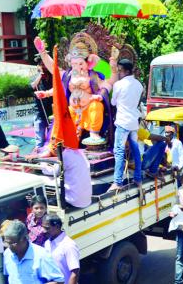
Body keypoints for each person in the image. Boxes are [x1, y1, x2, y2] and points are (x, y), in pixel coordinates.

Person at [33, 35, 118, 145]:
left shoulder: (93, 76)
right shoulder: (68, 75)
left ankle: (94, 134)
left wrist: (100, 95)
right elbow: (55, 74)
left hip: (88, 110)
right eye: (74, 64)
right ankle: (53, 147)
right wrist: (43, 53)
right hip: (73, 111)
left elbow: (109, 83)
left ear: (88, 63)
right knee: (61, 116)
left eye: (80, 63)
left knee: (96, 106)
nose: (77, 67)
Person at [110, 59, 143, 191]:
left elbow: (113, 102)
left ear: (127, 71)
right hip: (133, 123)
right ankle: (138, 178)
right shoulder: (139, 85)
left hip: (123, 123)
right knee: (135, 151)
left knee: (119, 152)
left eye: (120, 70)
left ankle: (117, 182)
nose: (119, 73)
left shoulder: (118, 85)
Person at [43, 215, 80, 284]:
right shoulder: (47, 243)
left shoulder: (69, 245)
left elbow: (75, 272)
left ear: (57, 227)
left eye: (47, 228)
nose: (44, 231)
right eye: (43, 227)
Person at [31, 58, 53, 151]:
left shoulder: (52, 76)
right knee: (40, 141)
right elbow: (32, 86)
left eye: (45, 64)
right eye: (42, 64)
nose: (44, 66)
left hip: (51, 112)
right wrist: (40, 75)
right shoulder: (36, 76)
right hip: (40, 112)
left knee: (51, 139)